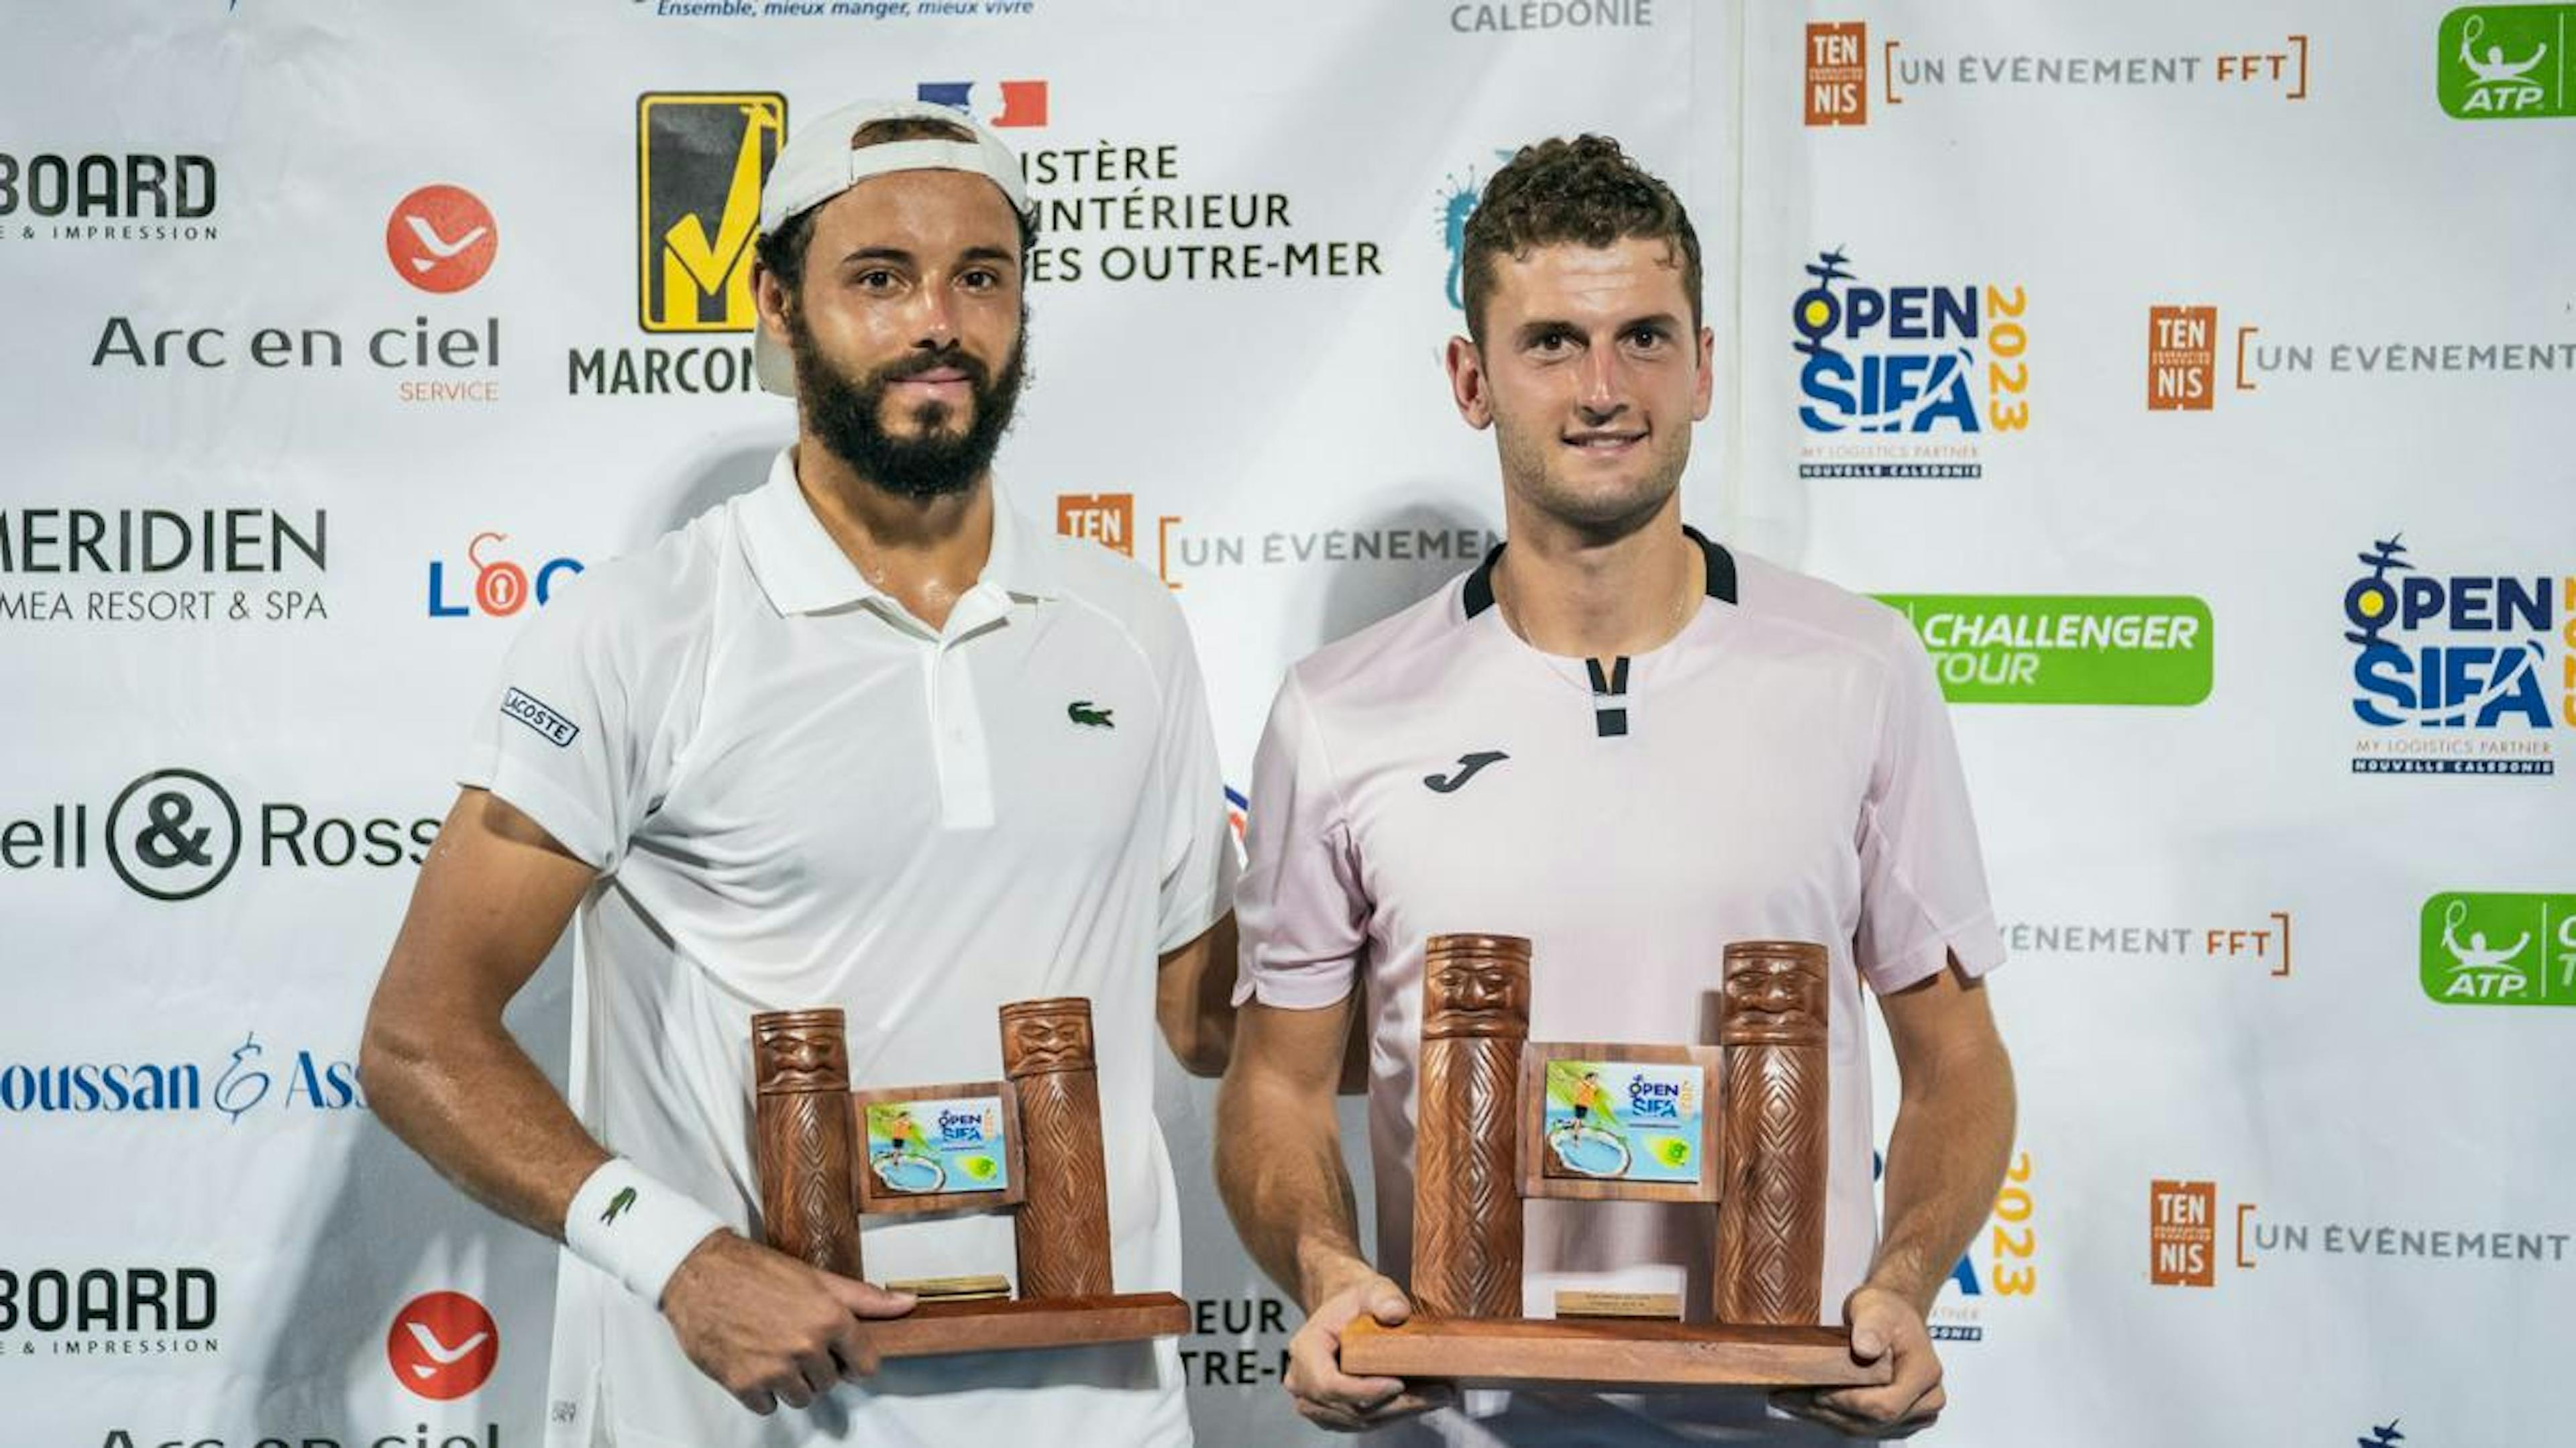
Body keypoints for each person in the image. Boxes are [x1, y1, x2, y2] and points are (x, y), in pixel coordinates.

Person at [360, 99, 1238, 1448]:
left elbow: (1212, 1017)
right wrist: (678, 1257)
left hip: (1092, 1412)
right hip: (742, 1420)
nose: (937, 318)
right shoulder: (644, 629)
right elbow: (421, 1039)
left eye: (981, 278)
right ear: (777, 303)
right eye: (879, 277)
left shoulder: (1129, 629)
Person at [1215, 135, 2015, 1444]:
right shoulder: (1336, 709)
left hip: (1784, 1417)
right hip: (1461, 1419)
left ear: (1704, 367)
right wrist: (1325, 1268)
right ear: (1473, 380)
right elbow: (1279, 1087)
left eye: (1644, 337)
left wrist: (1906, 1283)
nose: (1603, 389)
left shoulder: (1857, 667)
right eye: (1551, 344)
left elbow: (1960, 1063)